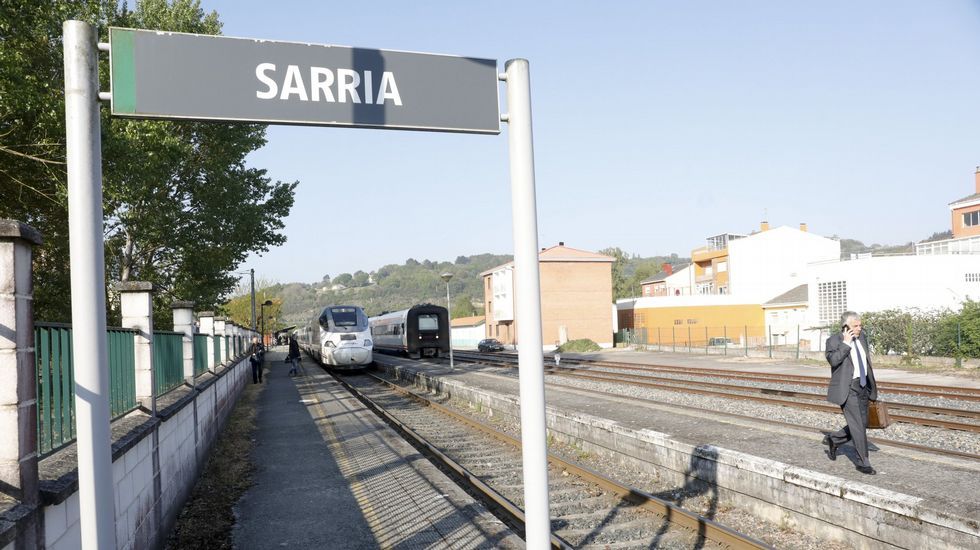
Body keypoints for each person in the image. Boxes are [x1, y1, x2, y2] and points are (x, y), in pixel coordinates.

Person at [823, 311, 878, 475]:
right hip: (848, 388)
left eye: (860, 325)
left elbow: (866, 363)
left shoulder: (862, 338)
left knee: (863, 422)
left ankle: (834, 439)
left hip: (863, 386)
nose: (860, 328)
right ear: (846, 326)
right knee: (858, 426)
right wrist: (846, 344)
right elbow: (833, 361)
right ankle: (863, 462)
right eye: (856, 326)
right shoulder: (833, 340)